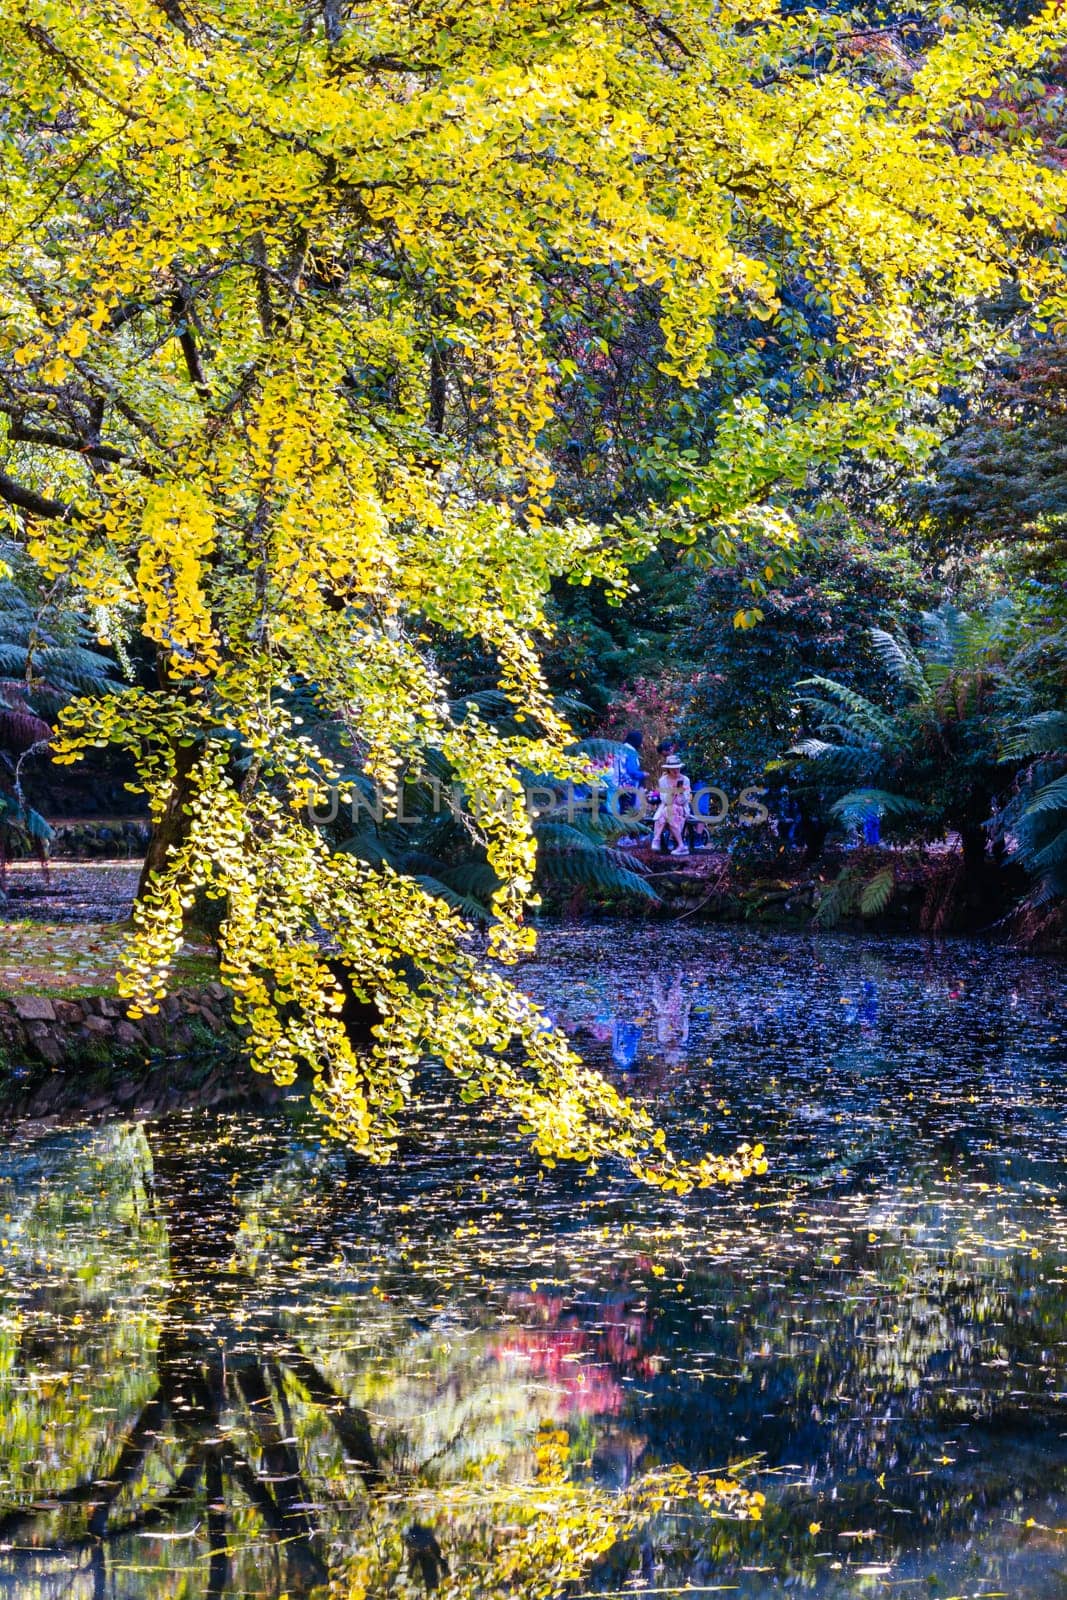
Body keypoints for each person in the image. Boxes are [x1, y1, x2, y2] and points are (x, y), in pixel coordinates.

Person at [651, 754, 691, 856]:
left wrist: (681, 792)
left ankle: (657, 838)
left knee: (669, 811)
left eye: (677, 768)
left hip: (682, 808)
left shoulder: (685, 780)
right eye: (673, 769)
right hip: (666, 806)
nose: (676, 771)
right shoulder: (663, 781)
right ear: (668, 769)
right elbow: (664, 799)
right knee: (669, 810)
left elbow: (684, 801)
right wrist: (673, 792)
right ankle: (681, 845)